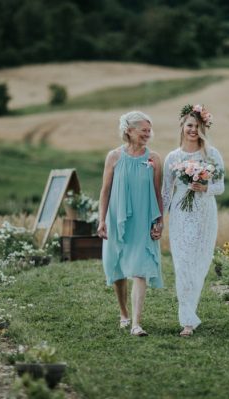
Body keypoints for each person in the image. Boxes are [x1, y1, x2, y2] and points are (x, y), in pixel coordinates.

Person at [97, 110, 164, 337]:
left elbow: (158, 193)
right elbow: (105, 191)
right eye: (144, 130)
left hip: (143, 220)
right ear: (129, 130)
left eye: (149, 130)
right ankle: (123, 313)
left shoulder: (154, 158)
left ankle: (136, 323)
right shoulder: (113, 157)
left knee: (140, 269)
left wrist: (160, 221)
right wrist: (101, 220)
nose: (148, 134)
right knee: (116, 267)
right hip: (116, 218)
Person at [162, 104, 225, 337]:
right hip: (180, 215)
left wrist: (204, 187)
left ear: (202, 129)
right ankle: (187, 320)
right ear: (182, 126)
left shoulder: (212, 154)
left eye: (197, 127)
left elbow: (220, 186)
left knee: (198, 265)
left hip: (204, 215)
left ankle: (191, 309)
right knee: (182, 265)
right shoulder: (173, 157)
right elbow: (166, 192)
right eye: (189, 125)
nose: (193, 130)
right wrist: (159, 217)